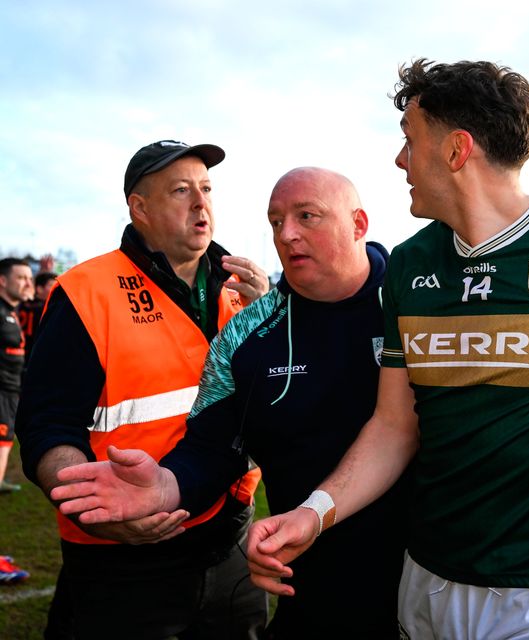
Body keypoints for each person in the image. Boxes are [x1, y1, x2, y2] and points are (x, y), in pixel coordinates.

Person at [240, 59, 529, 638]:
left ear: (456, 150)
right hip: (426, 574)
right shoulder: (412, 264)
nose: (399, 160)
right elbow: (395, 425)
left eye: (409, 141)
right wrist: (313, 515)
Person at [53, 167, 408, 638]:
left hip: (433, 580)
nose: (288, 234)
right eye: (276, 221)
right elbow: (214, 446)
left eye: (308, 216)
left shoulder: (418, 304)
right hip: (310, 582)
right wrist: (167, 484)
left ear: (358, 224)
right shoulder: (245, 334)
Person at [16, 139, 270, 639]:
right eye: (181, 190)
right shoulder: (87, 293)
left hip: (231, 539)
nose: (202, 204)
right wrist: (97, 513)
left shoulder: (242, 290)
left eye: (207, 189)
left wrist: (272, 322)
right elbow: (46, 426)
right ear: (140, 207)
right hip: (125, 556)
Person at [0, 258, 32, 493]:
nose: (27, 284)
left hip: (12, 389)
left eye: (29, 279)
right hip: (2, 389)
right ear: (2, 280)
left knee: (6, 440)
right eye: (21, 278)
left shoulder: (12, 310)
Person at [18, 270, 57, 365]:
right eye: (52, 285)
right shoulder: (48, 308)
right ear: (39, 289)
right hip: (32, 356)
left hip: (19, 354)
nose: (56, 288)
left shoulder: (20, 303)